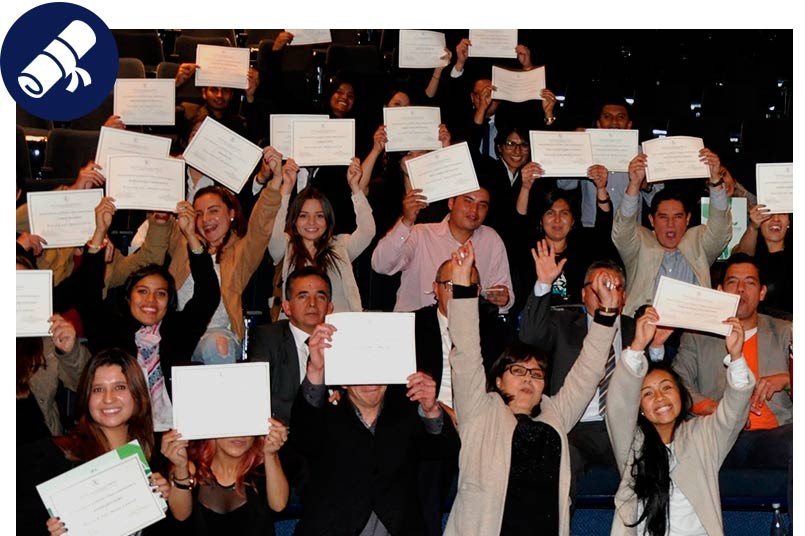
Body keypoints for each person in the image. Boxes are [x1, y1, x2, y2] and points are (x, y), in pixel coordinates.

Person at [443, 241, 618, 536]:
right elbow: (466, 352)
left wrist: (607, 314)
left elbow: (588, 371)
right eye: (518, 370)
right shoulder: (479, 410)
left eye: (537, 374)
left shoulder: (555, 414)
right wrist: (462, 287)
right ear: (499, 379)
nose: (528, 378)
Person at [289, 320, 459, 535]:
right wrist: (316, 370)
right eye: (360, 373)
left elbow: (444, 449)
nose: (370, 383)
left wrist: (431, 408)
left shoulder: (408, 413)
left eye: (377, 371)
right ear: (343, 381)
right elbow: (302, 435)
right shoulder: (325, 415)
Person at [607, 306, 754, 536]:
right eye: (648, 393)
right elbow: (618, 405)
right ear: (640, 408)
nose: (660, 398)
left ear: (681, 394)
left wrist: (736, 357)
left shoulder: (703, 435)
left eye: (667, 388)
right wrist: (637, 346)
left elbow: (735, 410)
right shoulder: (632, 444)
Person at [80, 198, 220, 431]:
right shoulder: (111, 330)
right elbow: (87, 295)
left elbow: (208, 294)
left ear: (169, 300)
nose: (151, 301)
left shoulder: (178, 330)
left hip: (176, 432)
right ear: (129, 296)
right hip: (123, 432)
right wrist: (99, 232)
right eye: (142, 291)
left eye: (160, 294)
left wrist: (190, 234)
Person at [671, 254, 792, 506]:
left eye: (750, 282)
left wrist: (788, 379)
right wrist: (714, 409)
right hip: (717, 434)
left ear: (762, 292)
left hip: (775, 433)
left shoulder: (785, 331)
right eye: (733, 282)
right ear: (720, 291)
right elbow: (678, 385)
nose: (740, 289)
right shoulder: (697, 336)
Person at [18, 349, 172, 535]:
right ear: (87, 397)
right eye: (98, 389)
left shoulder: (154, 457)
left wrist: (164, 501)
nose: (108, 398)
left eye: (120, 387)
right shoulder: (54, 457)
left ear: (138, 394)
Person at [612, 149, 732, 316]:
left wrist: (715, 181)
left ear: (688, 219)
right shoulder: (639, 242)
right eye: (663, 217)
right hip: (642, 324)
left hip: (690, 326)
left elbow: (720, 228)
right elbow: (623, 227)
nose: (670, 224)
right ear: (652, 220)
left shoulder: (699, 241)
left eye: (678, 217)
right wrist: (634, 184)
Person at [371, 186, 514, 314]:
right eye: (468, 201)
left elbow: (506, 295)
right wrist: (406, 222)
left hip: (468, 329)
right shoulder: (421, 234)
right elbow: (381, 265)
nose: (474, 210)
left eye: (482, 205)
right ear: (451, 203)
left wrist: (504, 299)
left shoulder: (491, 239)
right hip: (417, 328)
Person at [267, 157, 375, 314]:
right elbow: (273, 230)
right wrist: (287, 187)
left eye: (319, 216)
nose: (312, 222)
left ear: (328, 219)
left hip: (341, 327)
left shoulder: (339, 246)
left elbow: (367, 231)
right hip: (297, 328)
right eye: (303, 216)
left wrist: (355, 187)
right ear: (294, 220)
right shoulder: (286, 248)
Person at [160, 420, 289, 536]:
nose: (240, 434)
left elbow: (278, 505)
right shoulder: (190, 467)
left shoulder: (264, 466)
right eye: (230, 422)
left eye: (247, 422)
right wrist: (181, 467)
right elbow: (180, 515)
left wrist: (271, 454)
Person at [557, 97, 663, 227]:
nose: (614, 122)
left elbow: (659, 202)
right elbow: (564, 184)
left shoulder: (643, 155)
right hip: (592, 227)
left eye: (621, 117)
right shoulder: (586, 150)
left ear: (629, 125)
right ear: (598, 124)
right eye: (607, 116)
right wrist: (575, 147)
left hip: (630, 230)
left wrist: (646, 185)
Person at [247, 267, 334, 426]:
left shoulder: (342, 341)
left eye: (320, 297)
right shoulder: (267, 338)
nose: (312, 304)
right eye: (303, 296)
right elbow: (259, 396)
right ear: (286, 307)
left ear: (329, 308)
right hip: (286, 430)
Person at [511, 187, 618, 310]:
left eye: (564, 213)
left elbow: (604, 228)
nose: (557, 219)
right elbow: (519, 223)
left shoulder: (584, 251)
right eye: (550, 213)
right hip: (537, 318)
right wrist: (525, 188)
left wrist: (601, 188)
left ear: (572, 221)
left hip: (577, 319)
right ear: (541, 220)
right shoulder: (531, 252)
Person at [732, 205, 792, 319]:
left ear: (789, 221)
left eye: (782, 213)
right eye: (769, 213)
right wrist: (753, 227)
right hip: (758, 325)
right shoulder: (750, 254)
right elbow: (741, 257)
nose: (776, 219)